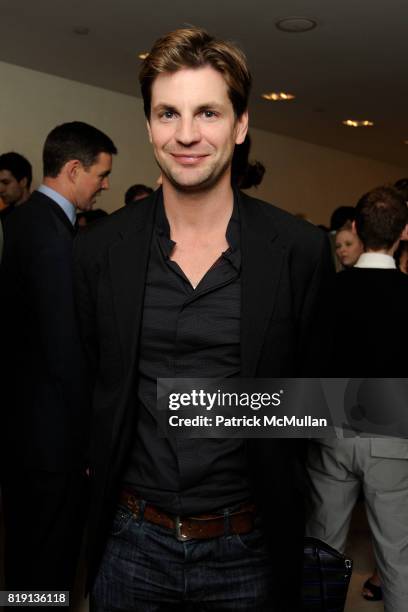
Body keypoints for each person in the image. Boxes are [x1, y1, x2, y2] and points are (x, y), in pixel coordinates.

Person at [74, 27, 333, 611]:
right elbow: (90, 385)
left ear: (240, 126)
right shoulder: (98, 251)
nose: (186, 134)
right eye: (168, 113)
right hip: (130, 544)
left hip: (249, 549)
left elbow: (314, 399)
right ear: (148, 126)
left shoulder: (297, 250)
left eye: (208, 112)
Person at [0, 121, 117, 597]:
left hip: (23, 427)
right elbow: (63, 346)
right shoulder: (51, 235)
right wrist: (89, 437)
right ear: (73, 169)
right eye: (101, 174)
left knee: (26, 551)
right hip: (51, 438)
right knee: (49, 556)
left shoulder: (21, 221)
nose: (104, 184)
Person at [306, 186, 408, 612]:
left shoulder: (328, 288)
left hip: (331, 424)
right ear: (404, 232)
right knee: (397, 553)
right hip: (394, 432)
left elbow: (308, 358)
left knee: (322, 547)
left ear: (354, 228)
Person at [0, 151, 32, 220]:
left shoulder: (43, 212)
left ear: (23, 182)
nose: (1, 189)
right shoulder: (3, 218)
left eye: (6, 183)